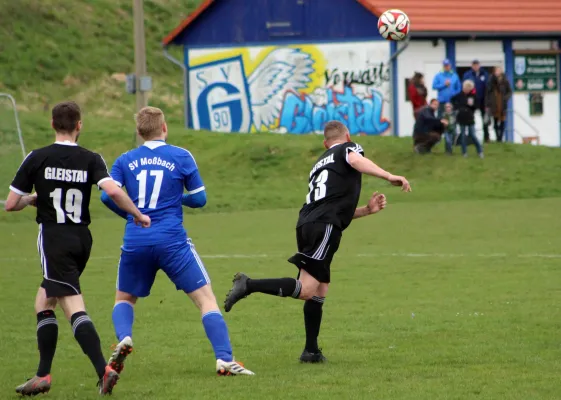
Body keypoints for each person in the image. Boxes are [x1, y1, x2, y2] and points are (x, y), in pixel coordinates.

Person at [223, 120, 411, 363]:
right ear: (348, 137)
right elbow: (354, 160)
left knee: (320, 289)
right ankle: (248, 285)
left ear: (325, 143)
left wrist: (366, 210)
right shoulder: (348, 149)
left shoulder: (319, 164)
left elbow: (331, 206)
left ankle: (311, 351)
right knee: (307, 289)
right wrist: (388, 176)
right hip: (323, 227)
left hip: (307, 224)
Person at [4, 101, 151, 396]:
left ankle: (103, 370)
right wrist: (137, 213)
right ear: (79, 125)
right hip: (82, 239)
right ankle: (42, 374)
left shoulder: (37, 157)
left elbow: (10, 204)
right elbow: (111, 190)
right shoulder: (90, 158)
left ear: (52, 124)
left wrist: (32, 199)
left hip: (54, 240)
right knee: (44, 302)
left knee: (72, 305)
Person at [100, 106, 254, 377]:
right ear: (165, 128)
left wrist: (132, 214)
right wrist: (173, 200)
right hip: (172, 241)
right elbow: (199, 199)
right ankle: (224, 359)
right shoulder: (181, 155)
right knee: (205, 299)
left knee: (124, 298)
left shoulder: (125, 160)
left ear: (139, 132)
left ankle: (124, 338)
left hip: (136, 240)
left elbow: (106, 196)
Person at [452, 80, 483, 158]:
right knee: (462, 135)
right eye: (466, 88)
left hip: (470, 117)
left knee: (472, 134)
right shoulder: (459, 95)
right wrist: (457, 107)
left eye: (469, 88)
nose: (467, 89)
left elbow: (476, 106)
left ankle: (480, 151)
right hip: (461, 117)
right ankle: (464, 153)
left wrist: (472, 106)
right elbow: (452, 100)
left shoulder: (473, 96)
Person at [463, 60, 490, 143]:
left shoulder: (484, 74)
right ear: (472, 66)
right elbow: (464, 86)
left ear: (479, 65)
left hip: (482, 99)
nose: (475, 67)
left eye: (477, 65)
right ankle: (470, 136)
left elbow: (488, 87)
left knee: (484, 118)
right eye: (474, 65)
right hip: (471, 99)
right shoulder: (467, 74)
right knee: (470, 117)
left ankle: (486, 137)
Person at [486, 66, 512, 142]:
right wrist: (488, 103)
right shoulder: (491, 80)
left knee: (502, 122)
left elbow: (509, 91)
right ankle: (497, 137)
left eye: (499, 70)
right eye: (496, 71)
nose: (497, 72)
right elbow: (488, 92)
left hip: (502, 104)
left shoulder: (505, 81)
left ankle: (500, 137)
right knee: (495, 122)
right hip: (494, 104)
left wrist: (505, 98)